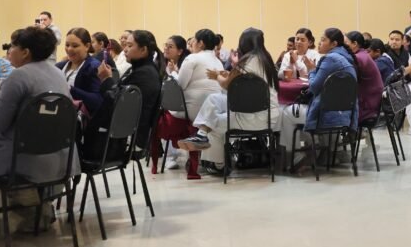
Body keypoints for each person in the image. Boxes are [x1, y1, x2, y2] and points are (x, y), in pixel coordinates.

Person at [0, 27, 72, 230]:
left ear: (25, 52)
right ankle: (36, 204)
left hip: (23, 157)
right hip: (59, 155)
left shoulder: (19, 76)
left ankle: (15, 211)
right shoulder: (58, 74)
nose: (9, 51)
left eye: (13, 46)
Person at [180, 28, 281, 176]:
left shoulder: (246, 61)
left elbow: (226, 84)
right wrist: (228, 74)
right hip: (268, 115)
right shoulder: (265, 59)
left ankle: (219, 164)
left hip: (252, 117)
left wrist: (216, 76)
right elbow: (244, 80)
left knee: (213, 124)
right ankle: (201, 133)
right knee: (214, 98)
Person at [84, 30, 163, 165]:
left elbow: (116, 103)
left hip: (123, 142)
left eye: (130, 46)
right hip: (122, 136)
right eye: (125, 45)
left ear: (143, 50)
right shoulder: (142, 69)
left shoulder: (145, 74)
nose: (125, 49)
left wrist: (106, 80)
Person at [291, 28, 358, 171]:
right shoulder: (345, 57)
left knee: (289, 114)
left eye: (323, 40)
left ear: (334, 44)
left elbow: (314, 87)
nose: (319, 43)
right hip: (345, 111)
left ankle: (304, 152)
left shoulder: (331, 59)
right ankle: (324, 151)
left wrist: (311, 70)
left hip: (328, 112)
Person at [164, 28, 223, 173]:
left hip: (194, 110)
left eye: (194, 41)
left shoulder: (192, 58)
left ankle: (171, 157)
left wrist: (172, 72)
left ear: (201, 43)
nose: (191, 44)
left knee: (164, 111)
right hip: (214, 110)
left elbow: (180, 86)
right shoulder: (218, 61)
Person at [58, 28, 102, 115]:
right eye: (67, 45)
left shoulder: (94, 67)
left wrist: (70, 89)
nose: (69, 49)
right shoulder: (59, 66)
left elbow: (97, 101)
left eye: (75, 46)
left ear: (87, 46)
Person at [345, 31, 384, 124]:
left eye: (346, 43)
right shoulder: (363, 54)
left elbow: (348, 81)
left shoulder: (358, 58)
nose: (343, 46)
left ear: (354, 44)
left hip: (368, 106)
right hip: (373, 101)